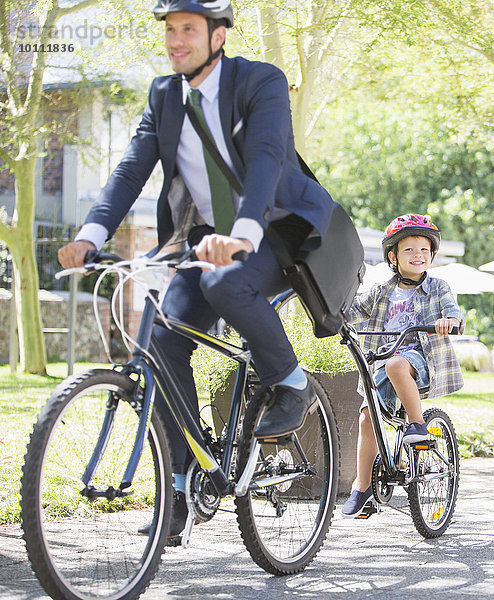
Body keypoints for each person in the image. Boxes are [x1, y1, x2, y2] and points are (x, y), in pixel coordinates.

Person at [58, 0, 335, 541]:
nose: (175, 40)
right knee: (160, 342)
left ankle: (291, 382)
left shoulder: (262, 82)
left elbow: (264, 159)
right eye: (169, 30)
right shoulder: (164, 95)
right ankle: (185, 485)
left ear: (219, 35)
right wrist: (90, 235)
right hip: (202, 239)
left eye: (188, 29)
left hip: (275, 232)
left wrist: (245, 235)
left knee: (226, 281)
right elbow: (131, 168)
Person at [341, 214, 464, 519]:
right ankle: (364, 487)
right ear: (393, 257)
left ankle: (418, 425)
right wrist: (334, 314)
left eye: (424, 250)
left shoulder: (438, 287)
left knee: (398, 363)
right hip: (381, 361)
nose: (417, 255)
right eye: (409, 250)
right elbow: (354, 311)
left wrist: (450, 321)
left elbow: (452, 309)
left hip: (419, 357)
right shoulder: (382, 290)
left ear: (432, 256)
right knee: (368, 417)